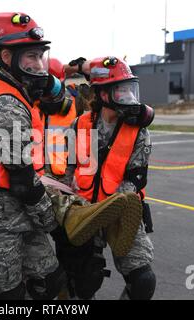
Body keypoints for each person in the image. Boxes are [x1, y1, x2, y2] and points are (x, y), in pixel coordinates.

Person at [0, 12, 130, 300]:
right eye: (30, 57)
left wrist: (76, 71)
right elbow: (21, 178)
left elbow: (57, 92)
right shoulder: (4, 105)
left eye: (40, 56)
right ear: (7, 57)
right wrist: (53, 221)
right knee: (7, 296)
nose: (38, 65)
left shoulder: (16, 89)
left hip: (15, 207)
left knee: (50, 282)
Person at [64, 56, 156, 300]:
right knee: (84, 280)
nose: (128, 96)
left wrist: (110, 208)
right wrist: (66, 208)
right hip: (85, 212)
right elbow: (66, 170)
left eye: (130, 89)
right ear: (102, 94)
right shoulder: (78, 125)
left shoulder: (139, 131)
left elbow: (135, 181)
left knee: (143, 281)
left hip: (123, 212)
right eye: (120, 90)